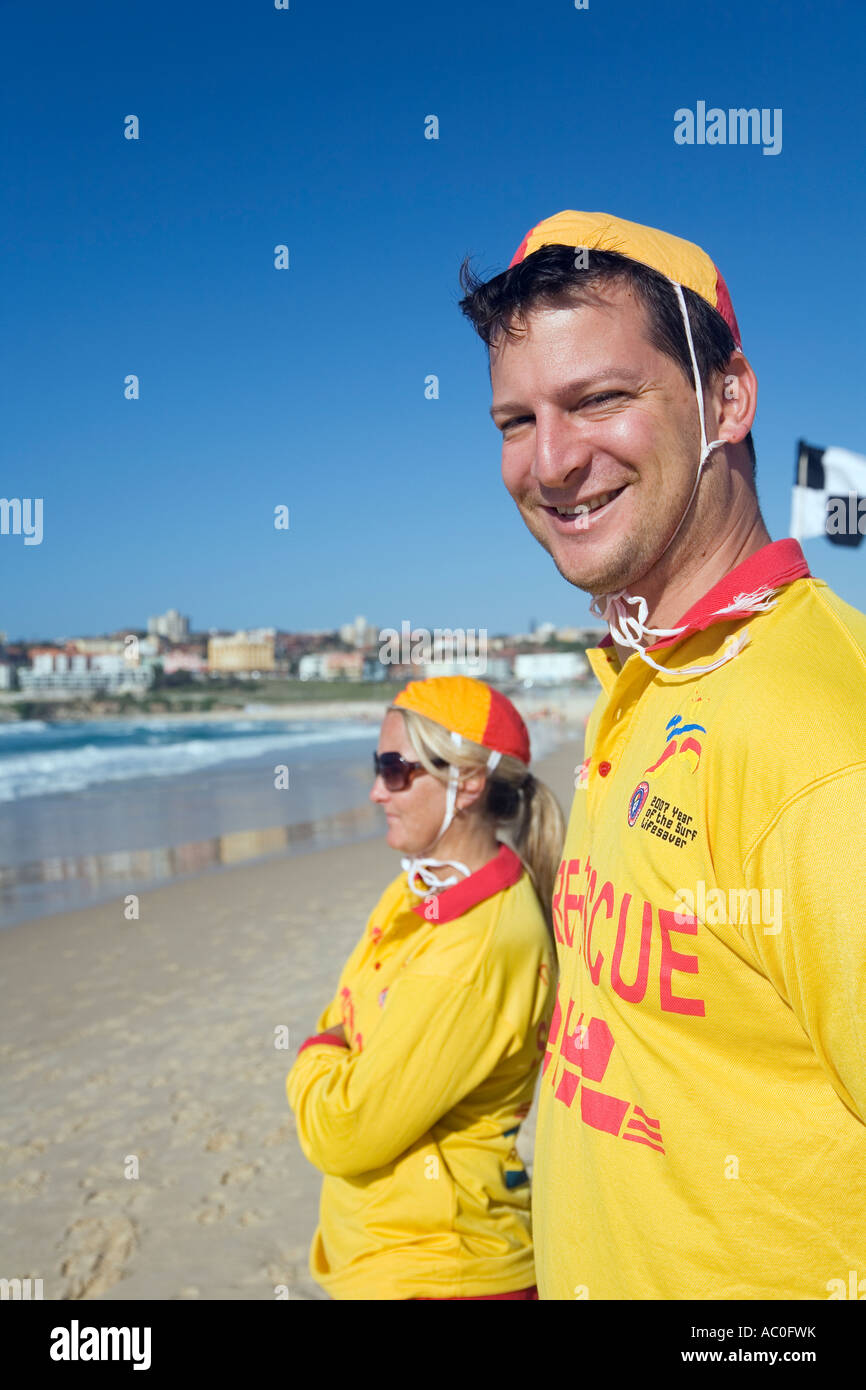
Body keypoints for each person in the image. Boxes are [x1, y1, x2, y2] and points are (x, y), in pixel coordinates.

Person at [458, 210, 866, 1300]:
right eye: (515, 418)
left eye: (598, 398)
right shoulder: (648, 679)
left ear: (725, 398)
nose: (549, 460)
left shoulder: (824, 746)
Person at [286, 675, 564, 1299]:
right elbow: (345, 1014)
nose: (375, 791)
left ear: (467, 782)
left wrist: (313, 1055)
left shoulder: (477, 948)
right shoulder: (416, 890)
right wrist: (339, 1048)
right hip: (388, 1260)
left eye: (395, 770)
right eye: (377, 767)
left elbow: (344, 1130)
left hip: (444, 1270)